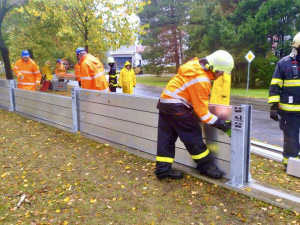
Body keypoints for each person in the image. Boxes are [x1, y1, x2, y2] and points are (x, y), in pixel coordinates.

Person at [155, 50, 234, 180]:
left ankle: (162, 170)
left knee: (166, 139)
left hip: (164, 104)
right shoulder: (201, 80)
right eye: (220, 72)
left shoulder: (194, 65)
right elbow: (203, 115)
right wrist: (223, 125)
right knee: (193, 137)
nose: (220, 75)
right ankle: (206, 167)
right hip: (177, 108)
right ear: (212, 67)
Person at [269, 31, 300, 171]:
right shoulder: (284, 63)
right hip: (289, 112)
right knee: (291, 138)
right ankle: (290, 164)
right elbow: (275, 85)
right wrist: (274, 107)